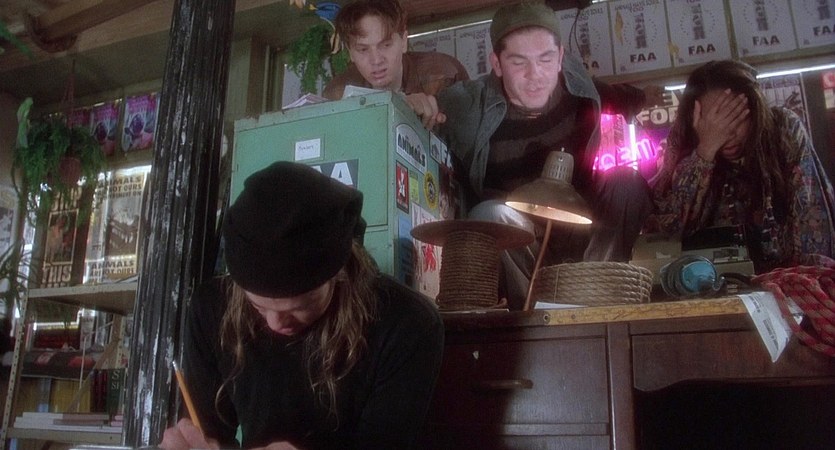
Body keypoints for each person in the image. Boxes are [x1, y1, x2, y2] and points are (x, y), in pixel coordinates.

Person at [160, 162, 444, 450]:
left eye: (298, 307)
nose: (274, 323)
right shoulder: (211, 310)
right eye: (257, 306)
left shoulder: (406, 325)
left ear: (339, 273)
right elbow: (208, 433)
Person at [436, 1, 655, 310]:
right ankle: (530, 319)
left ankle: (592, 302)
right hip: (517, 236)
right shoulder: (465, 106)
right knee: (490, 215)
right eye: (519, 62)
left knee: (626, 183)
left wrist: (648, 96)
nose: (535, 74)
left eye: (546, 58)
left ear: (561, 58)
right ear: (496, 63)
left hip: (581, 225)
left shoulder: (580, 87)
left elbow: (619, 96)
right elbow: (417, 114)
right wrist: (416, 104)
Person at [649, 59, 835, 273]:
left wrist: (798, 279)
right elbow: (668, 233)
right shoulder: (684, 141)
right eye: (714, 122)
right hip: (706, 277)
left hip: (785, 275)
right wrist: (705, 150)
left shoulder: (782, 128)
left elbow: (811, 218)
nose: (728, 134)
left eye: (736, 118)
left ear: (754, 111)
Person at [322, 0, 469, 128]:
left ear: (404, 41)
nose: (376, 60)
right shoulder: (336, 95)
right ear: (350, 53)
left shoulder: (445, 75)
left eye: (386, 45)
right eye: (363, 49)